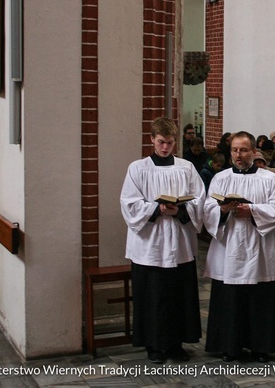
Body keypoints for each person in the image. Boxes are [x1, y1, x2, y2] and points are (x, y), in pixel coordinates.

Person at [120, 117, 205, 364]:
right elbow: (129, 204)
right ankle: (154, 345)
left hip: (179, 242)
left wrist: (179, 210)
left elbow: (199, 199)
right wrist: (157, 209)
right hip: (150, 245)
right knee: (153, 296)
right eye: (160, 142)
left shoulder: (186, 167)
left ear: (175, 142)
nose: (165, 148)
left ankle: (176, 344)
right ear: (151, 140)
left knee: (178, 295)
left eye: (169, 143)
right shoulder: (138, 168)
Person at [203, 132, 275, 363]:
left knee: (260, 298)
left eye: (243, 150)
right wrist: (222, 210)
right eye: (234, 150)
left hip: (259, 246)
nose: (238, 155)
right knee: (230, 299)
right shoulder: (221, 178)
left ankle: (261, 347)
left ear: (253, 151)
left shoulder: (268, 178)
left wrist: (252, 211)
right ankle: (230, 347)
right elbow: (208, 208)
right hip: (228, 246)